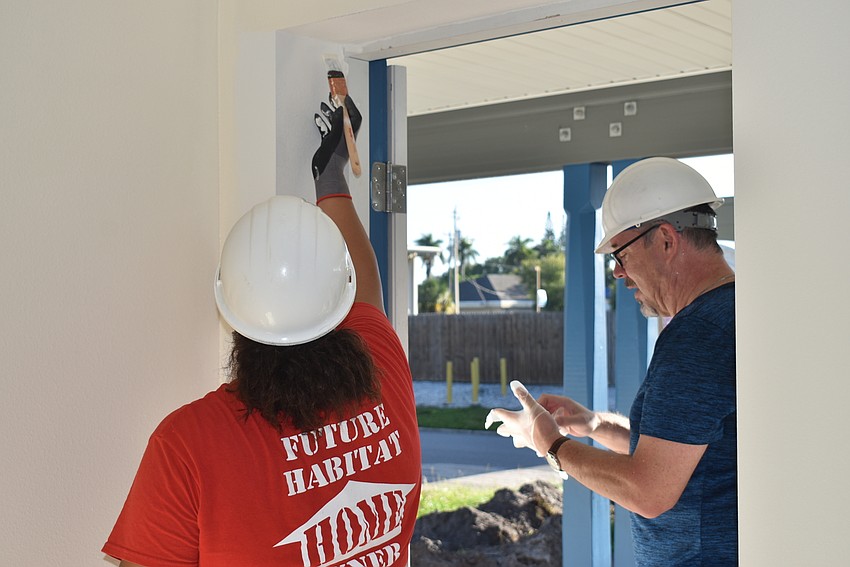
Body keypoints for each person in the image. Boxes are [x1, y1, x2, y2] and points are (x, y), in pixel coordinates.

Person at [103, 94, 422, 566]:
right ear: (339, 306)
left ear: (233, 312)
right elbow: (366, 287)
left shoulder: (189, 446)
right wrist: (329, 174)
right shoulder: (382, 366)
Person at [486, 157, 737, 566]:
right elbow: (685, 451)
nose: (619, 274)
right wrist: (596, 425)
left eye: (620, 255)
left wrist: (552, 445)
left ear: (667, 241)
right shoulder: (734, 311)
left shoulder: (696, 337)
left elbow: (649, 490)